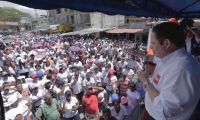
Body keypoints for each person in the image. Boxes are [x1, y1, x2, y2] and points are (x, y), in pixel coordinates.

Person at [137, 22, 200, 120]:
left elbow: (165, 110)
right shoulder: (170, 57)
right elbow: (153, 58)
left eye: (153, 43)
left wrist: (146, 82)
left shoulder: (180, 70)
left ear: (167, 43)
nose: (150, 47)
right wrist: (135, 53)